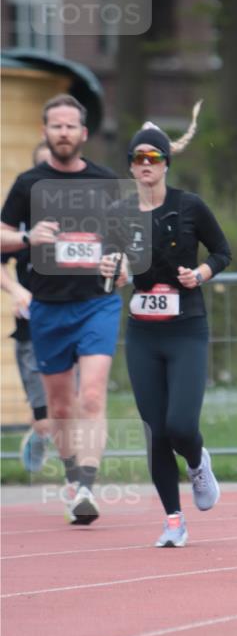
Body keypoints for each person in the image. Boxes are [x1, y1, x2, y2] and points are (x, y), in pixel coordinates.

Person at [100, 103, 230, 548]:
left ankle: (197, 461)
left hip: (186, 327)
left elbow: (222, 252)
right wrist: (111, 272)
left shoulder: (190, 206)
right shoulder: (118, 213)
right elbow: (114, 268)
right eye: (137, 158)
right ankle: (174, 519)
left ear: (165, 164)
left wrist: (202, 275)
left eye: (152, 158)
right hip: (142, 331)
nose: (144, 165)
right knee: (155, 429)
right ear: (131, 167)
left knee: (179, 424)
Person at [1, 96, 121, 524]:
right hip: (48, 307)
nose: (64, 133)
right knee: (61, 408)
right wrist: (29, 236)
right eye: (57, 127)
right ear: (45, 132)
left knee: (91, 393)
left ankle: (86, 485)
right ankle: (74, 478)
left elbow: (126, 242)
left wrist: (118, 265)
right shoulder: (28, 184)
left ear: (84, 134)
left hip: (96, 303)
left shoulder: (105, 181)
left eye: (71, 126)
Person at [0, 142, 53, 472]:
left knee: (72, 410)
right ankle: (40, 433)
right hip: (31, 329)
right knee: (46, 416)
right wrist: (16, 288)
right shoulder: (20, 231)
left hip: (72, 324)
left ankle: (77, 484)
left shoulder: (81, 218)